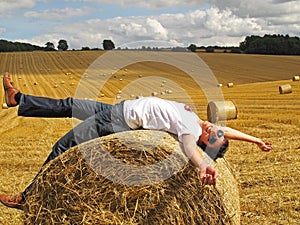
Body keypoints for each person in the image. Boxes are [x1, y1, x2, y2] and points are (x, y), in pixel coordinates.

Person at [0, 72, 272, 210]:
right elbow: (225, 132)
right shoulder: (200, 121)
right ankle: (18, 99)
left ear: (204, 140)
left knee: (62, 147)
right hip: (117, 109)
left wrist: (202, 165)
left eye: (213, 135)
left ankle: (27, 197)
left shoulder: (189, 130)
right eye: (218, 131)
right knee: (70, 104)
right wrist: (255, 139)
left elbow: (190, 148)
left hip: (116, 120)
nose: (215, 128)